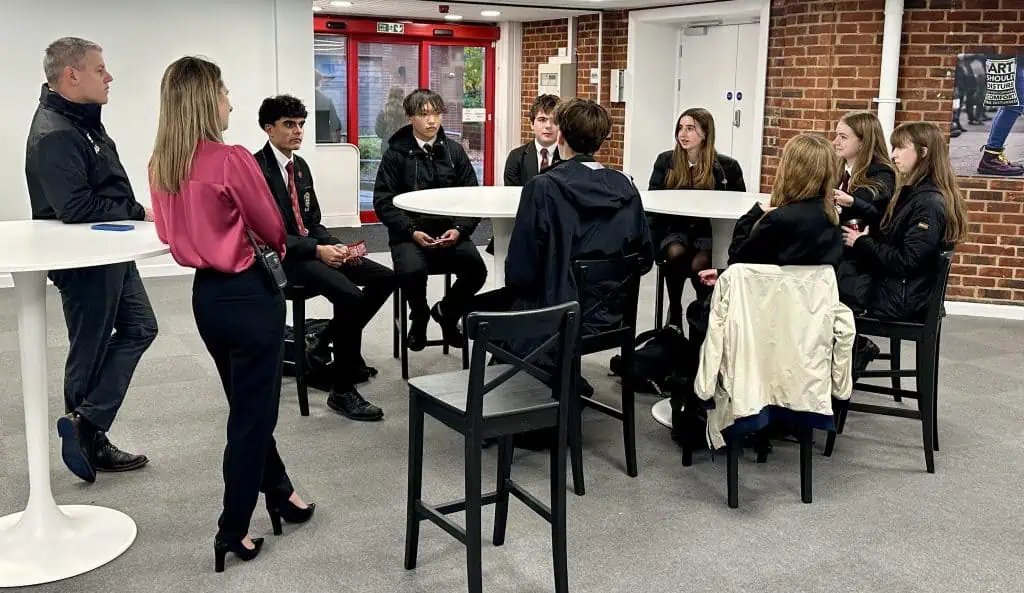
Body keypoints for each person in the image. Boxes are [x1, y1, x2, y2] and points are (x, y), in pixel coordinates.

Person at [149, 57, 314, 572]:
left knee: (248, 404)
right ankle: (232, 529)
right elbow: (274, 227)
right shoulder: (230, 158)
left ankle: (282, 494)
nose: (230, 102)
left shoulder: (161, 164)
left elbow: (165, 235)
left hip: (206, 300)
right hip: (248, 293)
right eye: (223, 92)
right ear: (205, 98)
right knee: (251, 416)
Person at [25, 37, 156, 482]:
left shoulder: (81, 122)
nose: (109, 76)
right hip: (86, 260)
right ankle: (88, 436)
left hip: (111, 250)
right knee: (91, 346)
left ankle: (86, 424)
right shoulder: (56, 132)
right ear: (71, 76)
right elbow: (76, 208)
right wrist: (137, 213)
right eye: (101, 69)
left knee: (141, 327)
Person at [679, 133, 845, 448]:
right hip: (800, 332)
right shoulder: (830, 221)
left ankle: (699, 408)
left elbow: (740, 256)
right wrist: (730, 276)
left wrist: (756, 213)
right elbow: (789, 275)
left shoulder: (777, 220)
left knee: (698, 311)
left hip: (758, 326)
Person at [253, 95, 392, 421]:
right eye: (289, 125)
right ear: (269, 129)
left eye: (301, 124)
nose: (298, 131)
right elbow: (266, 234)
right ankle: (342, 391)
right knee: (350, 297)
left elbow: (312, 221)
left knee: (385, 278)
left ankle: (323, 339)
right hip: (286, 260)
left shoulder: (299, 166)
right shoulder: (256, 170)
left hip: (314, 249)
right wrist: (317, 250)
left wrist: (333, 244)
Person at [842, 121, 969, 371]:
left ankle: (852, 357)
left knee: (825, 298)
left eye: (900, 148)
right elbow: (897, 233)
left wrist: (862, 242)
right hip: (903, 291)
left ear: (923, 152)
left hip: (900, 299)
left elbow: (907, 261)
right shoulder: (917, 192)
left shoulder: (928, 202)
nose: (893, 155)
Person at [373, 88, 488, 351]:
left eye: (436, 113)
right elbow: (382, 200)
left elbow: (472, 196)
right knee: (412, 270)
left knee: (477, 271)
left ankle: (447, 313)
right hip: (409, 233)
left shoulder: (454, 151)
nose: (432, 120)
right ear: (411, 117)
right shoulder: (396, 153)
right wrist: (411, 230)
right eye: (424, 114)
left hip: (450, 232)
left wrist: (460, 229)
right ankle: (420, 315)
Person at [648, 108, 746, 327]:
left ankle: (702, 310)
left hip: (708, 230)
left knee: (700, 262)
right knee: (675, 252)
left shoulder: (727, 167)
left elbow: (739, 207)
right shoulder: (666, 161)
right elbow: (653, 203)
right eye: (680, 128)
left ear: (705, 133)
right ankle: (675, 309)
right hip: (676, 228)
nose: (683, 134)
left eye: (690, 129)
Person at [831, 111, 897, 312]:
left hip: (862, 266)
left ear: (863, 142)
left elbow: (862, 212)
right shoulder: (841, 172)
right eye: (836, 135)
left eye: (843, 137)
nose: (835, 142)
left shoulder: (881, 175)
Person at [488, 94, 563, 254]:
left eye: (554, 121)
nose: (548, 126)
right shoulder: (516, 157)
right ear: (532, 124)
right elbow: (515, 197)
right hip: (523, 225)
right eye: (542, 120)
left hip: (558, 230)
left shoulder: (567, 158)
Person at [314, 70, 342, 143]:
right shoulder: (326, 100)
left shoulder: (301, 99)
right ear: (320, 82)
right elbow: (336, 124)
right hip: (323, 141)